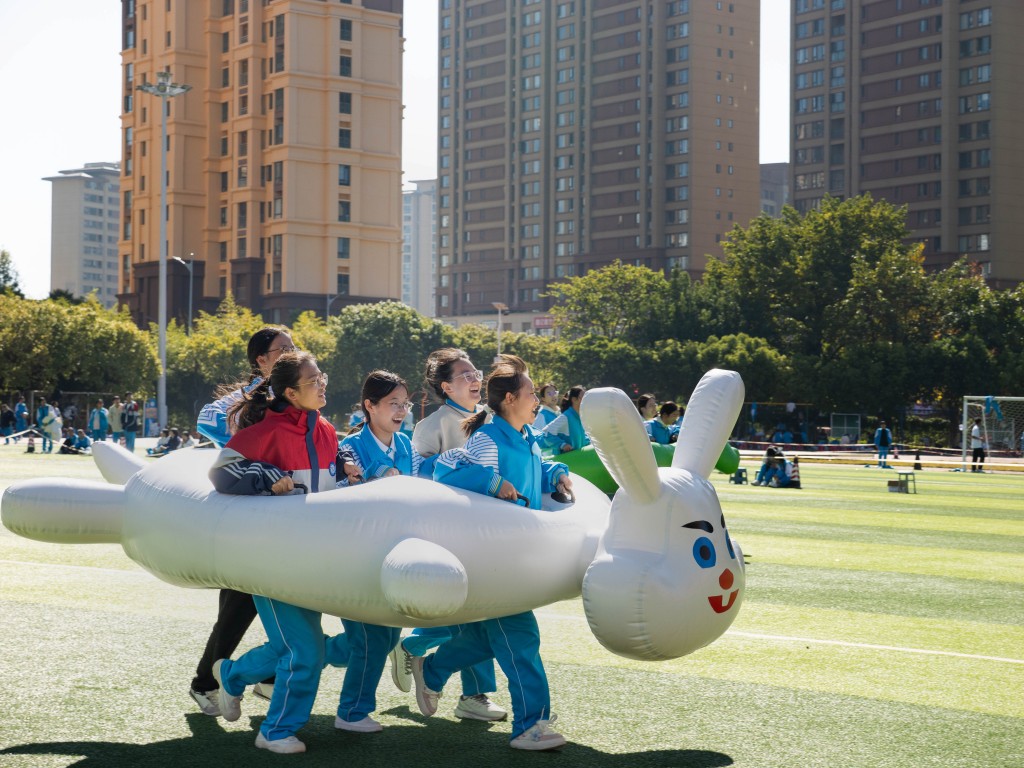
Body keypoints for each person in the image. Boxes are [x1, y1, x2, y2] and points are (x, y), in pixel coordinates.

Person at [413, 354, 570, 751]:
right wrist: (490, 481)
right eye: (531, 393)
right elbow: (444, 471)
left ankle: (432, 669)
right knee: (521, 639)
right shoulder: (487, 439)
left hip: (520, 556)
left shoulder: (527, 437)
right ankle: (531, 725)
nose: (538, 400)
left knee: (487, 639)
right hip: (493, 558)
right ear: (509, 399)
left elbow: (532, 471)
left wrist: (554, 473)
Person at [209, 350, 337, 755]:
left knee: (294, 646)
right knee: (304, 650)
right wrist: (266, 476)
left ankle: (232, 675)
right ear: (290, 393)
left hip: (315, 561)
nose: (322, 384)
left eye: (321, 377)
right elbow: (221, 471)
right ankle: (276, 731)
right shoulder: (266, 430)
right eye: (313, 381)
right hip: (270, 562)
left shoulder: (327, 431)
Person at [188, 327, 296, 718]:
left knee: (289, 602)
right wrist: (246, 446)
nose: (290, 353)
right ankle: (205, 683)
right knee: (240, 604)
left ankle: (267, 677)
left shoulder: (294, 393)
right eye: (281, 349)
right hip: (246, 510)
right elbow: (207, 418)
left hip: (287, 511)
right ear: (260, 360)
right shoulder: (249, 397)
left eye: (293, 347)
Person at [397, 348, 506, 722]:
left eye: (476, 373)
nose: (476, 380)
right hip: (452, 531)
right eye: (465, 375)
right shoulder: (432, 425)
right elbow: (417, 475)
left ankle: (416, 644)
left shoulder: (492, 418)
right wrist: (458, 465)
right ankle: (474, 694)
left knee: (480, 612)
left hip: (492, 529)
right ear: (446, 387)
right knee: (476, 614)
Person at [330, 370, 424, 733]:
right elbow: (343, 497)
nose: (401, 411)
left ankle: (252, 670)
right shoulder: (349, 447)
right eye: (393, 403)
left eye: (405, 403)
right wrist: (377, 478)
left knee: (381, 638)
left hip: (392, 555)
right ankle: (352, 712)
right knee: (370, 639)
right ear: (369, 406)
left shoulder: (408, 446)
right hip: (355, 556)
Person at [542, 385, 590, 454]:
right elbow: (546, 433)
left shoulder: (580, 417)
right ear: (574, 400)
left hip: (578, 458)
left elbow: (582, 438)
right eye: (583, 397)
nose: (586, 400)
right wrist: (562, 445)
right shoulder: (566, 417)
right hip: (565, 459)